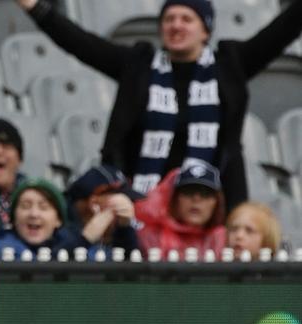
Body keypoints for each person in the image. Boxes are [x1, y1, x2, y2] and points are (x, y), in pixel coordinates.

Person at [16, 0, 302, 210]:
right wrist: (37, 8)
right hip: (141, 204)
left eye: (186, 19)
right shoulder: (138, 65)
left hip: (209, 207)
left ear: (206, 31)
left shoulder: (230, 65)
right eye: (169, 19)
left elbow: (281, 31)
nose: (176, 25)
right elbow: (81, 44)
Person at [134, 163, 226, 260]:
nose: (196, 199)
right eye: (188, 191)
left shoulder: (224, 238)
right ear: (173, 198)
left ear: (217, 202)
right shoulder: (148, 236)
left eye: (205, 193)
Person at [0, 177, 83, 260]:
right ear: (14, 218)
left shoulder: (73, 244)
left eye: (44, 207)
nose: (34, 214)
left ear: (58, 220)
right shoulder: (2, 248)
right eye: (25, 206)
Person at [65, 165, 143, 260]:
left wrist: (124, 228)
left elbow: (131, 269)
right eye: (119, 207)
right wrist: (85, 238)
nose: (127, 212)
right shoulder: (61, 232)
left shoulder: (120, 235)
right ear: (94, 204)